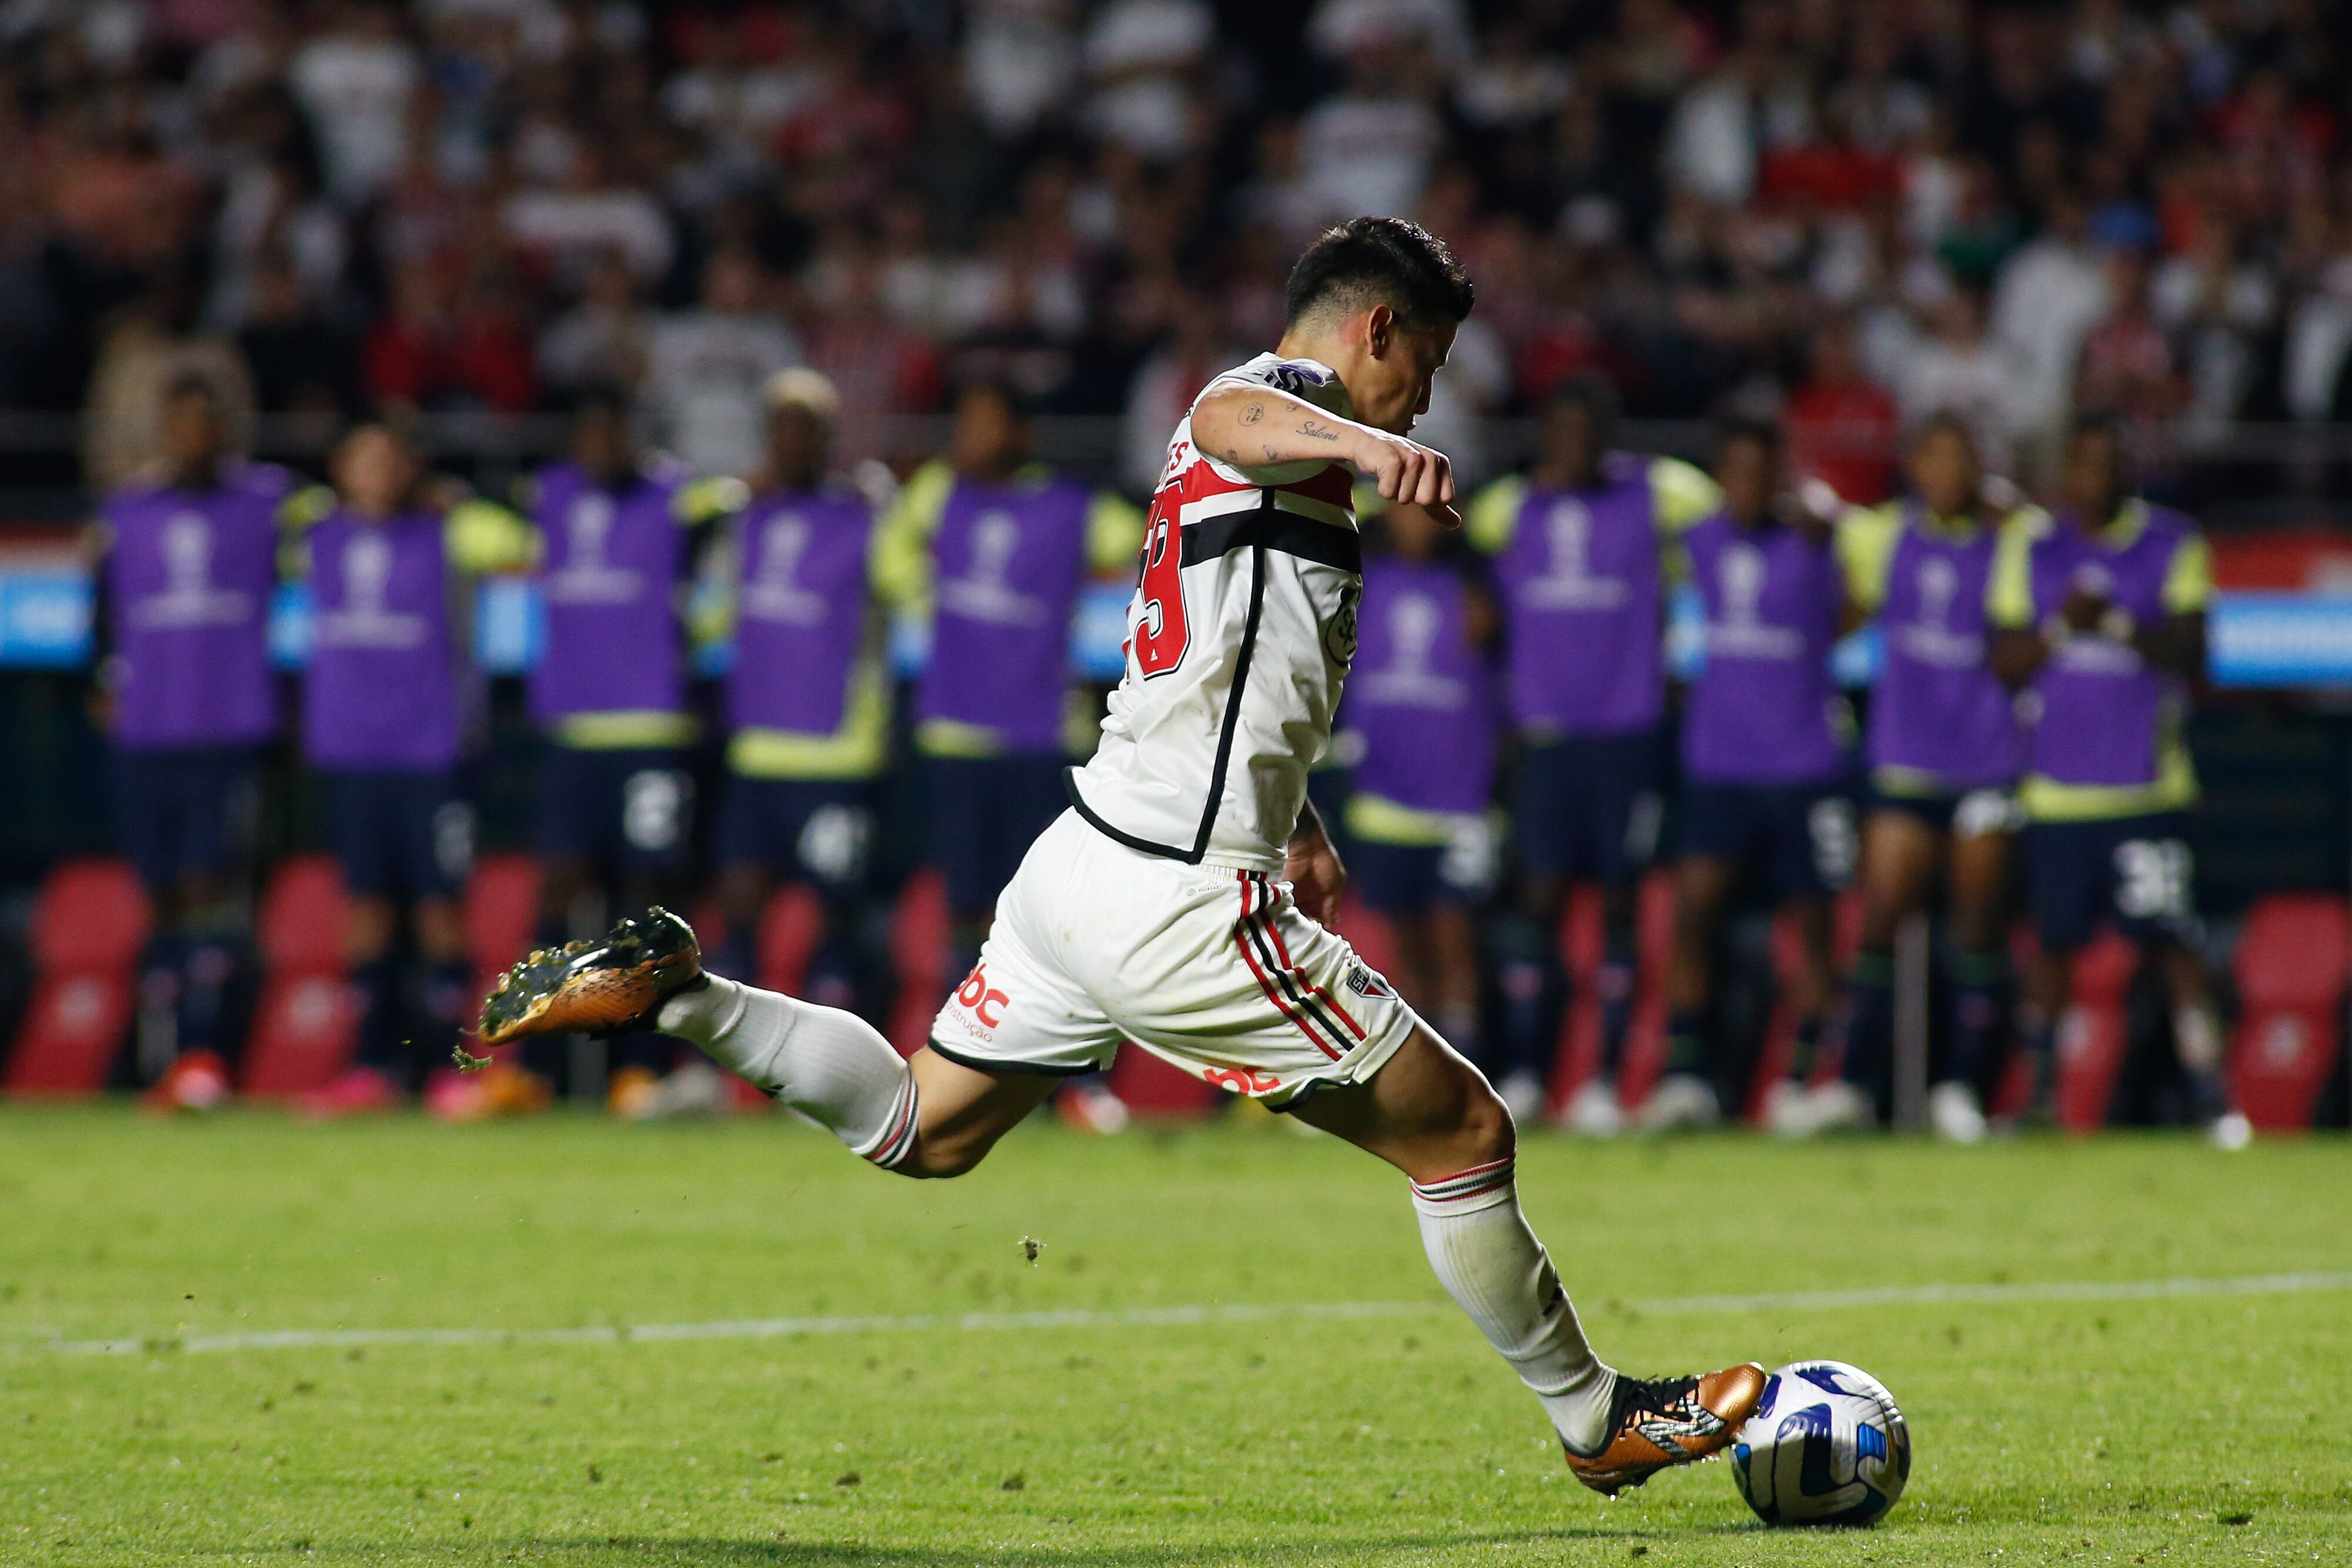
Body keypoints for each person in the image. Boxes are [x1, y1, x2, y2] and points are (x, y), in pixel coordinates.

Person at [478, 216, 1765, 1496]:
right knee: (1464, 1132)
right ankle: (1593, 1416)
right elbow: (1229, 413)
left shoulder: (1276, 454)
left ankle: (680, 993)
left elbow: (1233, 653)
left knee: (924, 1129)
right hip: (1178, 898)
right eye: (1419, 365)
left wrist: (1294, 813)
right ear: (1373, 330)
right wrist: (1373, 441)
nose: (1421, 397)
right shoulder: (1278, 403)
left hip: (1080, 863)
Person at [1988, 416, 2250, 1149]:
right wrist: (2064, 629)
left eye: (2110, 464)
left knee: (2173, 947)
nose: (2096, 478)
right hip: (2055, 790)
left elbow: (2197, 654)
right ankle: (2038, 1096)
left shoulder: (2172, 541)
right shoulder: (2032, 545)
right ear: (2066, 472)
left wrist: (2121, 627)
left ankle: (2212, 1099)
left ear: (2130, 471)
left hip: (2145, 788)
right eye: (2083, 464)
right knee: (2050, 949)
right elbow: (2005, 660)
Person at [1465, 378, 1720, 1132]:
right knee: (1538, 902)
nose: (1573, 445)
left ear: (1608, 437)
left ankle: (1606, 1081)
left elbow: (1739, 508)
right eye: (1560, 431)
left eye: (1588, 431)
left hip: (1628, 731)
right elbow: (1455, 556)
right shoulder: (1506, 510)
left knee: (1617, 901)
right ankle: (1525, 1071)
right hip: (1544, 737)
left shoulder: (1656, 495)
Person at [286, 423, 533, 1115]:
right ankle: (373, 1069)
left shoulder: (452, 531)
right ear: (339, 466)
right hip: (351, 753)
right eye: (362, 458)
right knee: (365, 916)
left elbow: (524, 545)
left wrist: (458, 501)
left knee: (440, 915)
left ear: (411, 467)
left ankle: (455, 1071)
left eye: (390, 459)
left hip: (433, 754)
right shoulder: (314, 532)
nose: (376, 472)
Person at [870, 383, 1143, 1005]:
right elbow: (888, 557)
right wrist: (925, 593)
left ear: (1021, 435)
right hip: (953, 729)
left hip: (1039, 732)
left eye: (987, 424)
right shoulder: (940, 491)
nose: (971, 439)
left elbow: (1142, 540)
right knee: (964, 896)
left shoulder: (1071, 506)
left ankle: (1037, 1035)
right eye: (964, 425)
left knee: (1038, 901)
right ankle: (966, 1024)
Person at [1799, 416, 2031, 1142]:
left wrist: (2016, 507)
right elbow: (1835, 570)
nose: (1946, 474)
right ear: (1913, 468)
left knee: (1976, 927)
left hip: (1985, 761)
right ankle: (1858, 1087)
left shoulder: (2010, 538)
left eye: (1960, 460)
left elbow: (2058, 542)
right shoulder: (1883, 536)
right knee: (1878, 918)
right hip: (1904, 760)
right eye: (1932, 459)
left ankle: (1963, 1090)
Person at [520, 389, 743, 1114]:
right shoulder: (548, 496)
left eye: (613, 431)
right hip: (574, 730)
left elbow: (740, 496)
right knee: (560, 893)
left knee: (646, 905)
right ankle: (542, 1069)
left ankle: (642, 1070)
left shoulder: (679, 497)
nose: (600, 445)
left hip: (654, 729)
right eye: (587, 432)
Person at [1641, 420, 1855, 1134]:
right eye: (1735, 470)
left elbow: (1855, 608)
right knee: (1693, 911)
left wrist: (1825, 512)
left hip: (1804, 764)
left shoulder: (1817, 541)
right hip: (1719, 763)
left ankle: (1804, 1085)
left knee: (1817, 926)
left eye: (1762, 471)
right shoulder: (1695, 539)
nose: (1748, 485)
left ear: (1779, 477)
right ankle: (1684, 1078)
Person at [93, 375, 288, 1109]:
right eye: (180, 426)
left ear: (226, 433)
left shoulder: (268, 506)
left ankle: (207, 1058)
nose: (193, 439)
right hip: (150, 730)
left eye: (206, 425)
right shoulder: (128, 513)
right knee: (160, 899)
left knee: (213, 893)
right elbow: (100, 610)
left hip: (230, 729)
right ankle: (158, 1053)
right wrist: (105, 680)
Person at [707, 370, 891, 1029]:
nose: (789, 443)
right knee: (738, 911)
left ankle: (833, 1071)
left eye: (804, 428)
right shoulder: (740, 518)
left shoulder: (866, 518)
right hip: (757, 748)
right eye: (778, 428)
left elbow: (910, 574)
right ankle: (731, 1070)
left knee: (839, 918)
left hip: (837, 752)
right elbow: (705, 608)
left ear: (827, 439)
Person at [1338, 495, 1500, 1059]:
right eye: (1405, 513)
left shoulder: (1475, 593)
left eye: (1429, 513)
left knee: (1455, 936)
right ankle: (1423, 1067)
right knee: (1404, 943)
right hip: (1383, 793)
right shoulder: (1362, 586)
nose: (1417, 525)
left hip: (1458, 797)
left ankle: (1469, 1067)